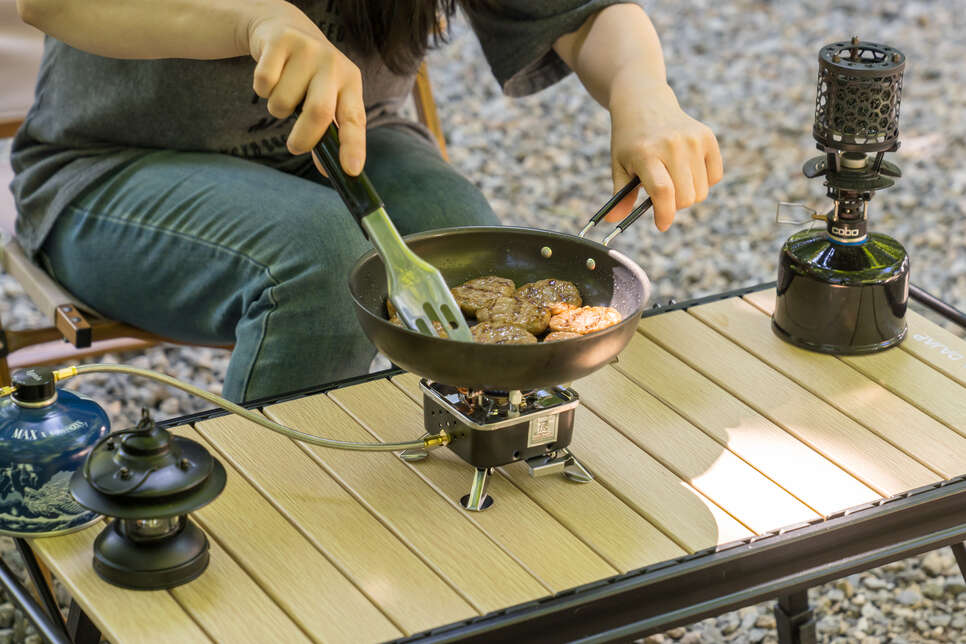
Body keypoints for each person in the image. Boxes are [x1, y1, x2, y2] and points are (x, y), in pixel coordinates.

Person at [11, 0, 722, 402]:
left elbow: (581, 13)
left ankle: (472, 536)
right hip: (112, 165)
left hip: (352, 139)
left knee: (470, 249)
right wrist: (254, 20)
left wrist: (644, 94)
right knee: (320, 261)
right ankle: (274, 550)